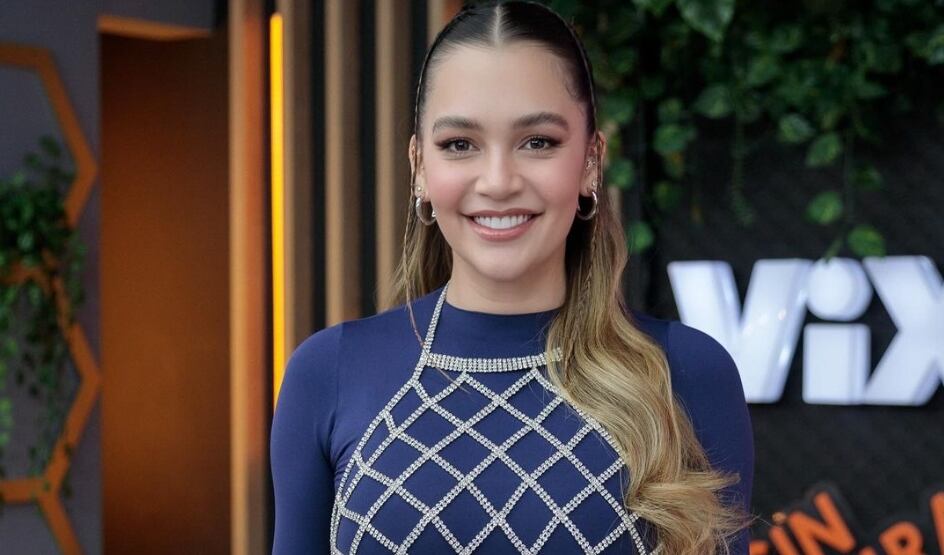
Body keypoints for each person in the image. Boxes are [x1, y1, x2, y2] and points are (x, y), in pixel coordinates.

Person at [270, 1, 754, 553]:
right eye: (460, 145)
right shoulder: (328, 372)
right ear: (420, 167)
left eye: (538, 141)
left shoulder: (686, 373)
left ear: (591, 161)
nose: (498, 181)